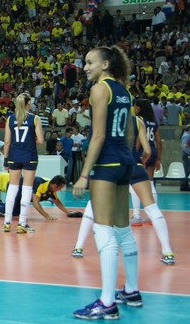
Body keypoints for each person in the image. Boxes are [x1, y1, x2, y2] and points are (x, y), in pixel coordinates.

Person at [71, 46, 139, 320]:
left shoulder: (100, 89)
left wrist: (84, 174)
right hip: (124, 161)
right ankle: (132, 291)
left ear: (106, 64)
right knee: (123, 229)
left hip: (107, 164)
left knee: (103, 230)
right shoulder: (124, 90)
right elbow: (131, 131)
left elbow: (97, 136)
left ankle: (107, 302)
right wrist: (126, 158)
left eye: (90, 62)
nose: (85, 67)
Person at [72, 115, 175, 265]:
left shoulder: (105, 119)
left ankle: (78, 247)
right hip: (134, 164)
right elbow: (147, 150)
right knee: (152, 207)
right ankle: (168, 252)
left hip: (111, 166)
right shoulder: (138, 121)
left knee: (92, 205)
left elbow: (98, 142)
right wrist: (139, 163)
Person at [2, 93, 44, 233]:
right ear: (28, 104)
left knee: (12, 188)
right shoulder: (35, 118)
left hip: (14, 155)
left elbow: (7, 141)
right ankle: (22, 223)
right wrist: (31, 141)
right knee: (27, 189)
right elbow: (41, 140)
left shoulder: (10, 119)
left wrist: (6, 159)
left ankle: (7, 222)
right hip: (29, 156)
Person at [0, 175, 79, 219]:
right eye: (60, 187)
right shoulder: (41, 184)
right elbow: (35, 203)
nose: (60, 189)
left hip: (22, 190)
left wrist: (68, 212)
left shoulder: (51, 189)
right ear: (55, 185)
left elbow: (57, 202)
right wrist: (47, 216)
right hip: (16, 186)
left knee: (16, 213)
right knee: (8, 212)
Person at [131, 99, 162, 224]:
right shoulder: (154, 122)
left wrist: (136, 154)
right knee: (150, 183)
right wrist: (159, 158)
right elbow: (159, 142)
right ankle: (152, 217)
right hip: (153, 151)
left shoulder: (139, 120)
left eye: (135, 106)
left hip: (142, 151)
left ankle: (136, 215)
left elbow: (139, 139)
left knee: (135, 184)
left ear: (138, 108)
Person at [182, 125, 190, 191]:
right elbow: (184, 146)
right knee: (186, 170)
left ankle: (185, 185)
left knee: (187, 170)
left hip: (187, 154)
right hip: (187, 155)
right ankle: (184, 186)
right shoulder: (187, 136)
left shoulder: (186, 135)